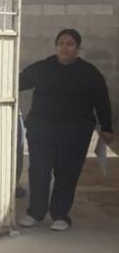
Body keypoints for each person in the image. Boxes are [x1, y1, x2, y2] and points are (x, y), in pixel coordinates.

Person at [18, 28, 113, 231]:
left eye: (70, 44)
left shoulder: (89, 73)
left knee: (67, 173)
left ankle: (60, 215)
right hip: (42, 130)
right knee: (39, 171)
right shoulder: (43, 68)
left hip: (75, 133)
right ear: (56, 46)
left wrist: (107, 127)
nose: (65, 47)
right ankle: (35, 212)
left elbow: (102, 100)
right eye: (61, 43)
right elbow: (17, 82)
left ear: (78, 48)